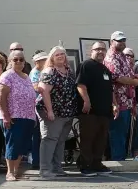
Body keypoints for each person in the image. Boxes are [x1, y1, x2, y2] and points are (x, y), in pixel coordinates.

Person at [35, 46, 78, 178]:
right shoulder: (49, 71)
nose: (60, 56)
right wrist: (50, 111)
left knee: (61, 141)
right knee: (49, 139)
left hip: (67, 112)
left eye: (62, 54)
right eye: (57, 54)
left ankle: (57, 167)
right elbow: (44, 92)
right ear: (52, 57)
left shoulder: (69, 71)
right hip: (52, 111)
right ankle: (45, 169)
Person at [0, 50, 37, 181]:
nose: (19, 62)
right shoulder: (7, 76)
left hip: (28, 117)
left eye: (21, 59)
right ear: (10, 61)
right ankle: (10, 172)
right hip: (13, 116)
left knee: (22, 145)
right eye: (15, 59)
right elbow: (1, 97)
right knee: (13, 144)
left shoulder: (26, 76)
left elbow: (31, 97)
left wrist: (33, 116)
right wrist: (6, 116)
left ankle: (16, 170)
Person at [76, 41, 114, 176]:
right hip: (89, 112)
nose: (100, 52)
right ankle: (85, 165)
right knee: (88, 138)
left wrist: (114, 105)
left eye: (103, 49)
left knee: (101, 139)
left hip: (104, 112)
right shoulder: (86, 65)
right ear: (91, 51)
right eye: (97, 49)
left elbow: (110, 90)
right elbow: (81, 84)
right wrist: (86, 100)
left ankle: (97, 163)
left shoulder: (106, 70)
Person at [103, 31, 138, 161]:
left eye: (123, 40)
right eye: (119, 40)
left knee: (123, 133)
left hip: (128, 101)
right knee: (117, 133)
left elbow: (129, 75)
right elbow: (117, 77)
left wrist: (133, 102)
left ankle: (121, 158)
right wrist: (135, 82)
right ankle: (117, 160)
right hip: (118, 101)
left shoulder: (122, 56)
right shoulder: (111, 57)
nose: (122, 42)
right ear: (112, 41)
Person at [28, 51, 47, 170]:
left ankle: (40, 160)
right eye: (43, 60)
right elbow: (36, 87)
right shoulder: (35, 72)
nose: (46, 62)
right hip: (36, 107)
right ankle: (36, 161)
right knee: (37, 135)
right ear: (37, 62)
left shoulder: (43, 71)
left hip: (42, 106)